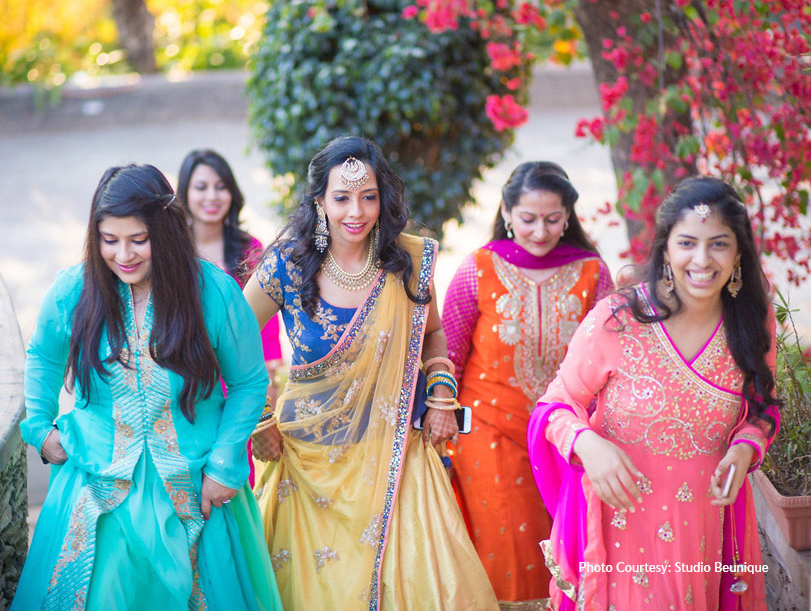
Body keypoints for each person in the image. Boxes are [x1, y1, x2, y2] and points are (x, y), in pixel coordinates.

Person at [242, 136, 498, 609]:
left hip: (397, 454)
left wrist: (442, 397)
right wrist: (259, 419)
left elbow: (434, 334)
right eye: (341, 197)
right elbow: (232, 340)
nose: (356, 212)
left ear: (384, 199)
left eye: (369, 196)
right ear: (319, 201)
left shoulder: (407, 263)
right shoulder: (288, 265)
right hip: (310, 464)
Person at [12, 164, 281, 610]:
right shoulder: (74, 290)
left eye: (139, 239)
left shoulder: (212, 292)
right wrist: (39, 427)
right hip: (95, 485)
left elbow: (249, 382)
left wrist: (223, 463)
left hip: (197, 487)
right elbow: (42, 355)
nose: (124, 255)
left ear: (166, 231)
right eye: (109, 240)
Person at [528, 176, 780, 610]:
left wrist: (745, 449)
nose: (702, 259)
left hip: (702, 531)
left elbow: (763, 409)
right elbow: (554, 406)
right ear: (665, 249)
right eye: (687, 243)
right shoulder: (618, 318)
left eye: (719, 244)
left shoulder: (752, 325)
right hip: (616, 529)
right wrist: (587, 444)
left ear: (739, 253)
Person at [440, 161, 614, 607]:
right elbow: (447, 357)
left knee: (565, 544)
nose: (540, 231)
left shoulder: (592, 272)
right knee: (505, 549)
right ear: (506, 212)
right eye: (528, 218)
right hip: (488, 433)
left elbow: (613, 360)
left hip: (568, 437)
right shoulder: (478, 269)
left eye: (553, 219)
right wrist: (441, 428)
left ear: (568, 216)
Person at [177, 149, 284, 485]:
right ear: (185, 193)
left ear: (232, 193)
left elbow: (266, 325)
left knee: (238, 477)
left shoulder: (250, 249)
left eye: (220, 186)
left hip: (242, 383)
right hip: (188, 382)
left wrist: (269, 384)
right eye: (201, 187)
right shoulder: (173, 251)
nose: (212, 196)